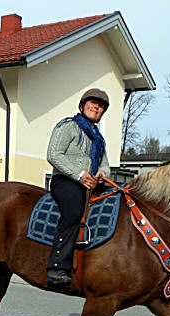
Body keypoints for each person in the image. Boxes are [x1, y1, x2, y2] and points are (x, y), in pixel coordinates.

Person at [45, 88, 110, 286]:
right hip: (66, 180)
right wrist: (80, 175)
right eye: (93, 103)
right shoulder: (68, 126)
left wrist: (102, 173)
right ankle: (57, 266)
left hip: (91, 184)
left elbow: (104, 162)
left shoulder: (99, 138)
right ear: (82, 106)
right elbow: (54, 154)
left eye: (100, 106)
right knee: (74, 211)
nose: (97, 107)